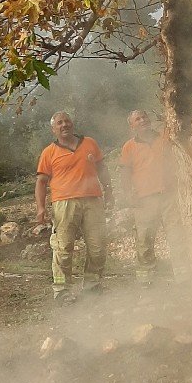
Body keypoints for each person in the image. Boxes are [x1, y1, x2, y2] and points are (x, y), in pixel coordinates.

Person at [35, 111, 112, 300]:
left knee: (98, 246)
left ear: (72, 124)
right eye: (59, 123)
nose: (64, 125)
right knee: (63, 248)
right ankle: (62, 292)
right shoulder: (49, 152)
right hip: (64, 202)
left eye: (67, 121)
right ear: (53, 129)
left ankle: (93, 286)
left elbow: (102, 168)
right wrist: (41, 207)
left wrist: (109, 189)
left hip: (93, 199)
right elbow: (41, 181)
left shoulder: (90, 143)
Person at [119, 110, 183, 282]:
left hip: (169, 195)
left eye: (144, 117)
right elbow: (125, 173)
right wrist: (128, 195)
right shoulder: (129, 147)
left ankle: (183, 276)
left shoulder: (165, 137)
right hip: (144, 200)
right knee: (144, 240)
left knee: (177, 235)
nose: (142, 120)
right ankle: (146, 278)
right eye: (137, 119)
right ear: (132, 126)